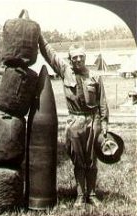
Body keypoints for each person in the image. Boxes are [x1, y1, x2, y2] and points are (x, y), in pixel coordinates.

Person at [38, 35, 109, 207]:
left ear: (85, 57)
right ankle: (79, 195)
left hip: (93, 121)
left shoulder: (95, 76)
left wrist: (104, 124)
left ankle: (91, 194)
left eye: (81, 56)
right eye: (74, 57)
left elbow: (102, 102)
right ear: (70, 59)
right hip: (74, 121)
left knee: (92, 160)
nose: (78, 59)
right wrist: (39, 35)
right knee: (78, 159)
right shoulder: (65, 71)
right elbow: (49, 53)